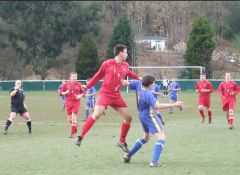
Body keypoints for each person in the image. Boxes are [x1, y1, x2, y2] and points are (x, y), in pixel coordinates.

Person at [75, 44, 141, 153]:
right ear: (120, 53)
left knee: (128, 118)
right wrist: (87, 86)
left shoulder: (125, 65)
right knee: (97, 114)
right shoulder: (107, 64)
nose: (126, 54)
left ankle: (121, 141)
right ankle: (80, 136)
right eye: (125, 52)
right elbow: (97, 76)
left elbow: (129, 73)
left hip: (116, 96)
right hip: (105, 94)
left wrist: (139, 78)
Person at [122, 75, 183, 167]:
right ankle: (154, 162)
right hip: (149, 116)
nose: (154, 84)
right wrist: (175, 104)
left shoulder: (138, 84)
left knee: (146, 137)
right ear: (150, 84)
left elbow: (124, 83)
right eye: (153, 82)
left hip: (141, 115)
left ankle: (128, 155)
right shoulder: (148, 94)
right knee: (161, 137)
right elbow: (158, 106)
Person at [59, 72, 85, 138]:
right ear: (70, 77)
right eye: (73, 76)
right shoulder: (66, 84)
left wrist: (80, 95)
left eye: (76, 76)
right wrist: (65, 92)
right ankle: (75, 125)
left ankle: (72, 134)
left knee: (74, 119)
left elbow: (83, 92)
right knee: (69, 120)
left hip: (76, 103)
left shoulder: (79, 84)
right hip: (68, 103)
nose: (74, 78)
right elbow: (60, 92)